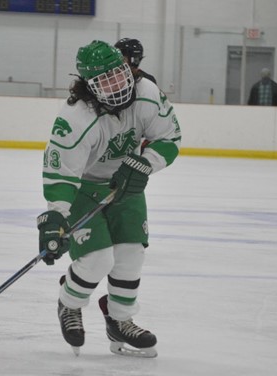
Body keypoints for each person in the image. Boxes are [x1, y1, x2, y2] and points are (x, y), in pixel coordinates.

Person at [36, 40, 181, 358]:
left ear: (127, 69)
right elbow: (62, 174)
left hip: (126, 183)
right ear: (89, 85)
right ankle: (69, 303)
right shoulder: (75, 117)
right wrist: (57, 216)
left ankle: (120, 320)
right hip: (84, 189)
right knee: (98, 259)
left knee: (131, 255)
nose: (116, 85)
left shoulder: (147, 93)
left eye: (118, 74)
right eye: (105, 81)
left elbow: (169, 138)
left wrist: (145, 163)